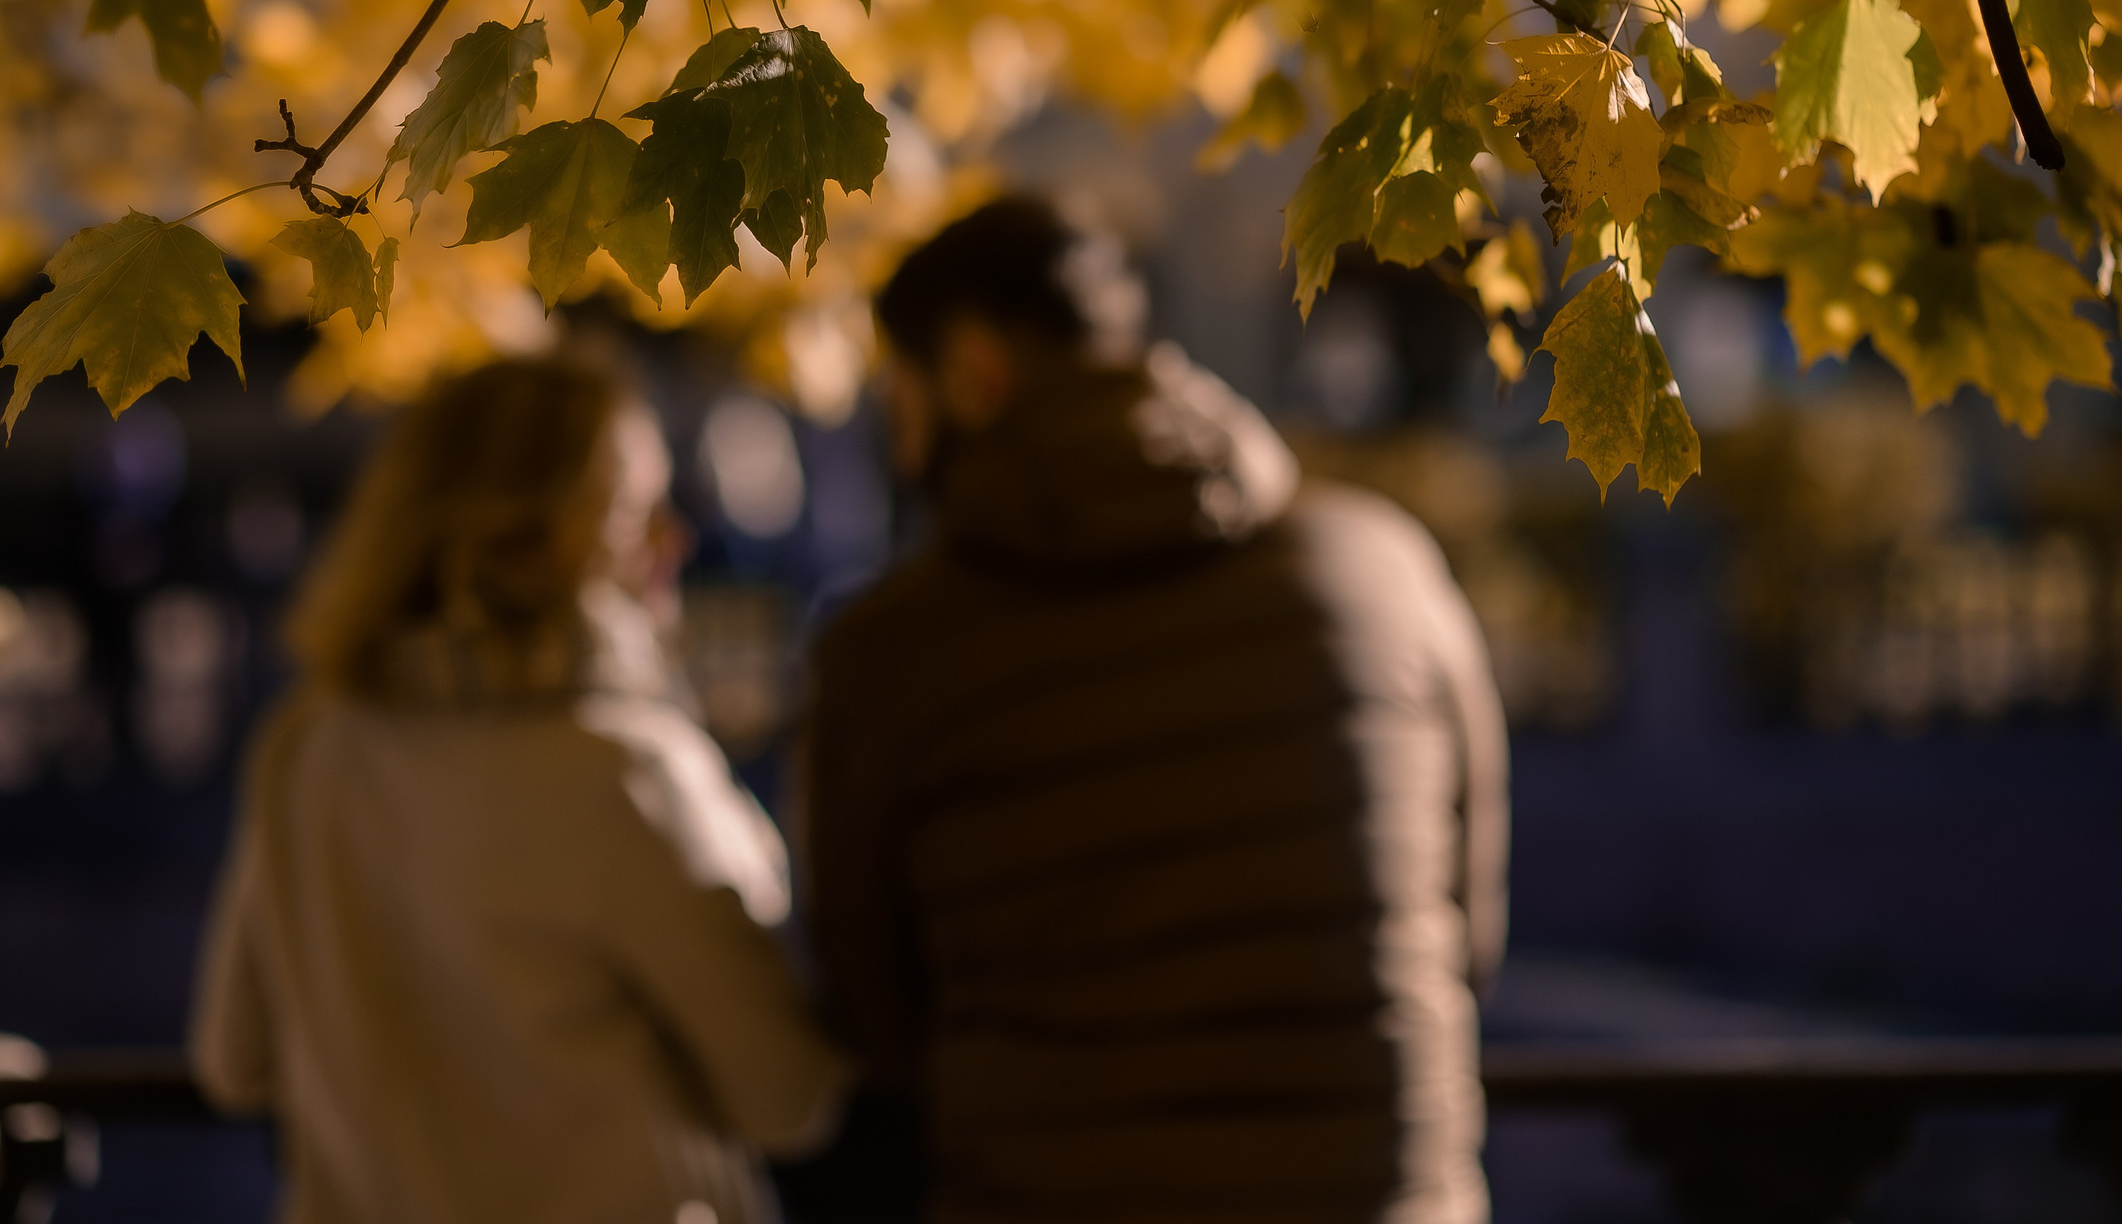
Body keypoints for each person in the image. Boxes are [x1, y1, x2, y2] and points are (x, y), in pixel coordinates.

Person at [799, 197, 1509, 1224]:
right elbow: (1463, 928)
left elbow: (875, 1004)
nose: (899, 443)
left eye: (897, 396)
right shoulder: (1383, 570)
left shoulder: (891, 652)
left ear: (969, 369)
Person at [191, 357, 847, 1224]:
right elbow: (789, 1095)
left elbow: (233, 1062)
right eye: (634, 510)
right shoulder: (623, 770)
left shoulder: (308, 745)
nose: (674, 541)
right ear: (523, 540)